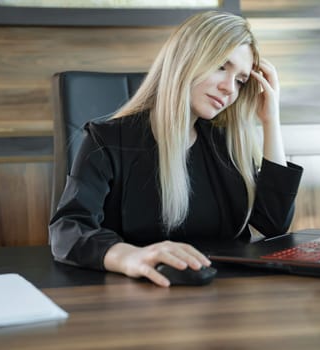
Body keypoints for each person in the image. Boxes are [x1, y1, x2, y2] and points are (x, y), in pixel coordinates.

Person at [49, 11, 303, 287]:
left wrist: (271, 120)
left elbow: (273, 224)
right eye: (220, 66)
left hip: (223, 296)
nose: (229, 88)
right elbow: (68, 230)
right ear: (185, 60)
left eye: (241, 80)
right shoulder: (107, 140)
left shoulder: (225, 144)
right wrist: (130, 257)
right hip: (134, 296)